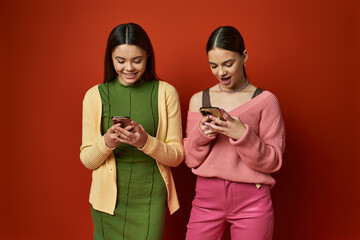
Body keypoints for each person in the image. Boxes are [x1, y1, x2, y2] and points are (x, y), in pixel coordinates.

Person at [80, 23, 184, 240]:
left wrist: (145, 142)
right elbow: (88, 160)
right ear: (111, 58)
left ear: (148, 56)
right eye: (121, 61)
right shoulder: (94, 96)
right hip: (107, 206)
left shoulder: (166, 93)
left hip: (149, 199)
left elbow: (177, 157)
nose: (129, 68)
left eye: (137, 60)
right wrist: (106, 142)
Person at [183, 26, 285, 240]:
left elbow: (273, 162)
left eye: (228, 64)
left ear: (244, 56)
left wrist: (241, 134)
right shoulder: (199, 100)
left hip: (252, 201)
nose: (221, 72)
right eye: (214, 66)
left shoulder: (266, 100)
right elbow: (191, 159)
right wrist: (202, 134)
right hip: (206, 199)